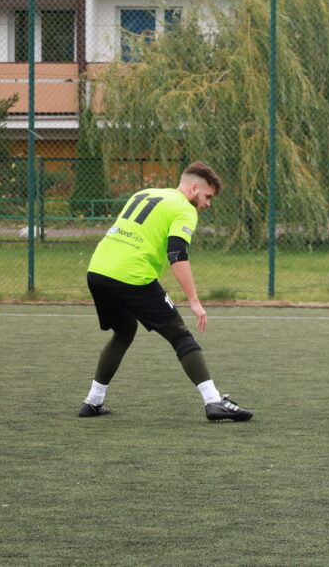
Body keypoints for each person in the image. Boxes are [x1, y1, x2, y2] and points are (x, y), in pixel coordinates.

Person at [77, 161, 252, 422]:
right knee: (180, 336)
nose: (207, 204)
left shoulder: (145, 193)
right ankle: (213, 401)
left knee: (124, 331)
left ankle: (93, 401)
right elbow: (177, 254)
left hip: (98, 271)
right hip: (132, 275)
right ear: (194, 189)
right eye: (207, 196)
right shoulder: (184, 208)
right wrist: (194, 301)